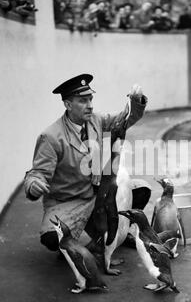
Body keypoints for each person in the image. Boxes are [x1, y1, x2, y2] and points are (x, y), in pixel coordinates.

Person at [24, 74, 150, 252]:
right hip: (68, 202)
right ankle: (75, 247)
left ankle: (117, 233)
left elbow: (124, 119)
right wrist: (34, 185)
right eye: (83, 100)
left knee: (142, 190)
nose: (90, 105)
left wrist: (136, 102)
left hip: (98, 195)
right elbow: (37, 173)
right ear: (68, 105)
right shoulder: (51, 137)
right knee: (52, 238)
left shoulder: (96, 120)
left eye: (91, 99)